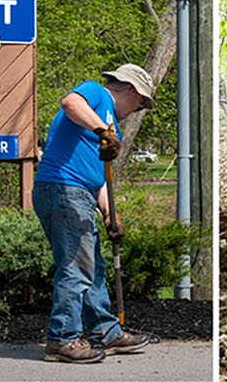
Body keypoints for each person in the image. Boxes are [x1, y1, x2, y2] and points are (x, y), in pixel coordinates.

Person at [32, 63, 157, 363]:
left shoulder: (110, 128)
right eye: (140, 104)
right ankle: (61, 338)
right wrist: (102, 129)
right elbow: (69, 102)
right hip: (62, 187)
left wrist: (111, 215)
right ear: (130, 89)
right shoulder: (96, 95)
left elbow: (100, 178)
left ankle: (105, 332)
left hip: (79, 193)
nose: (137, 111)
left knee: (92, 267)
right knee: (76, 267)